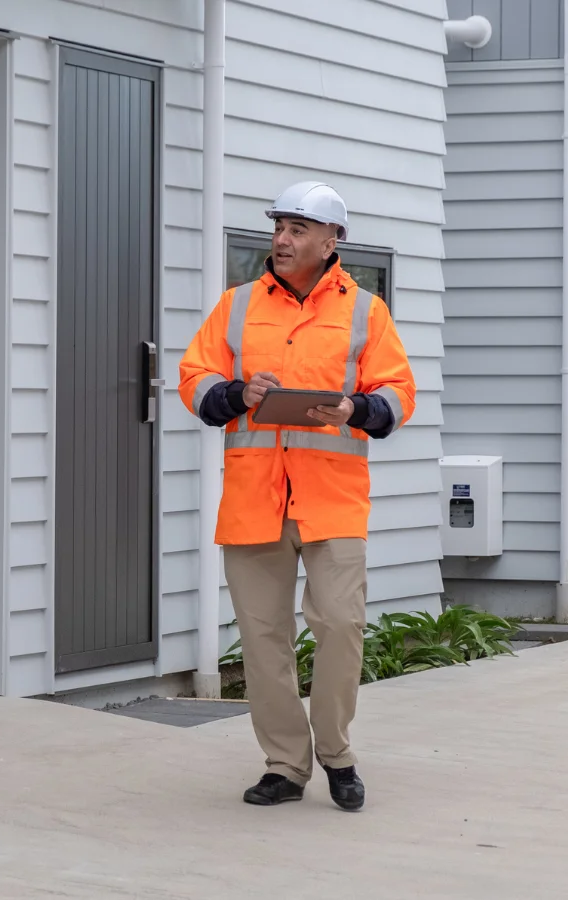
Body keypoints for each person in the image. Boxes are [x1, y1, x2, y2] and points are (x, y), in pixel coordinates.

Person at [179, 182, 416, 811]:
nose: (282, 239)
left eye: (297, 228)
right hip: (255, 501)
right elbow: (194, 378)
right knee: (262, 640)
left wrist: (356, 408)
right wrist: (236, 394)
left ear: (332, 240)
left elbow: (397, 393)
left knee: (340, 626)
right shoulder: (236, 306)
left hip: (332, 501)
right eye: (279, 226)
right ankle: (286, 764)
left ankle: (336, 752)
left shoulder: (366, 312)